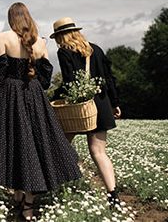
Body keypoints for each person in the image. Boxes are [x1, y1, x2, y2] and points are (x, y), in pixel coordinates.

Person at [0, 3, 81, 220]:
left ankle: (20, 197)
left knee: (16, 142)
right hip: (34, 95)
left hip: (11, 96)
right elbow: (44, 80)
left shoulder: (2, 37)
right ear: (27, 17)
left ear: (11, 19)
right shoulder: (41, 41)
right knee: (35, 144)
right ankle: (27, 201)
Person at [50, 17, 121, 206]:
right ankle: (113, 195)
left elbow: (69, 82)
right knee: (98, 151)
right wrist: (114, 103)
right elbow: (109, 78)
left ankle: (55, 188)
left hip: (79, 108)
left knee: (60, 147)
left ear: (59, 36)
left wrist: (51, 98)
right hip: (102, 103)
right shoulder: (95, 49)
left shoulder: (64, 52)